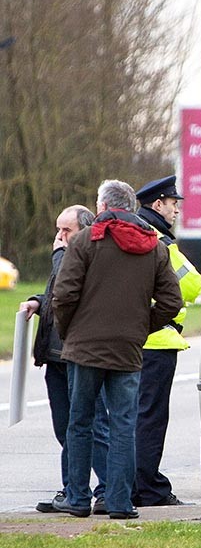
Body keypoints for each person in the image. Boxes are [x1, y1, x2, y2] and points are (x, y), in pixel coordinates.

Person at [50, 180, 182, 519]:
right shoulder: (154, 247)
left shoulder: (84, 242)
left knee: (81, 423)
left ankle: (78, 499)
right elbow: (172, 301)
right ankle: (120, 502)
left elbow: (64, 296)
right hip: (128, 350)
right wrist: (141, 327)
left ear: (104, 206)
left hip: (85, 348)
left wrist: (70, 332)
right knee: (124, 425)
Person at [20, 205, 111, 515]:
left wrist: (59, 257)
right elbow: (58, 295)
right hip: (56, 354)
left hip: (80, 353)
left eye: (66, 231)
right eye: (57, 231)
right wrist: (38, 301)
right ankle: (73, 489)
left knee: (91, 424)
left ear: (83, 232)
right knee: (66, 427)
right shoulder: (66, 255)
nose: (59, 238)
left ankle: (107, 490)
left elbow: (72, 291)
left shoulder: (85, 255)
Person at [130, 175, 201, 507]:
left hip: (130, 340)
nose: (176, 211)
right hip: (157, 341)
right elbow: (192, 285)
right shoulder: (158, 239)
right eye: (174, 204)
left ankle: (133, 482)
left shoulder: (132, 233)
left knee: (129, 415)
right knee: (150, 417)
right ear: (157, 205)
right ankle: (147, 485)